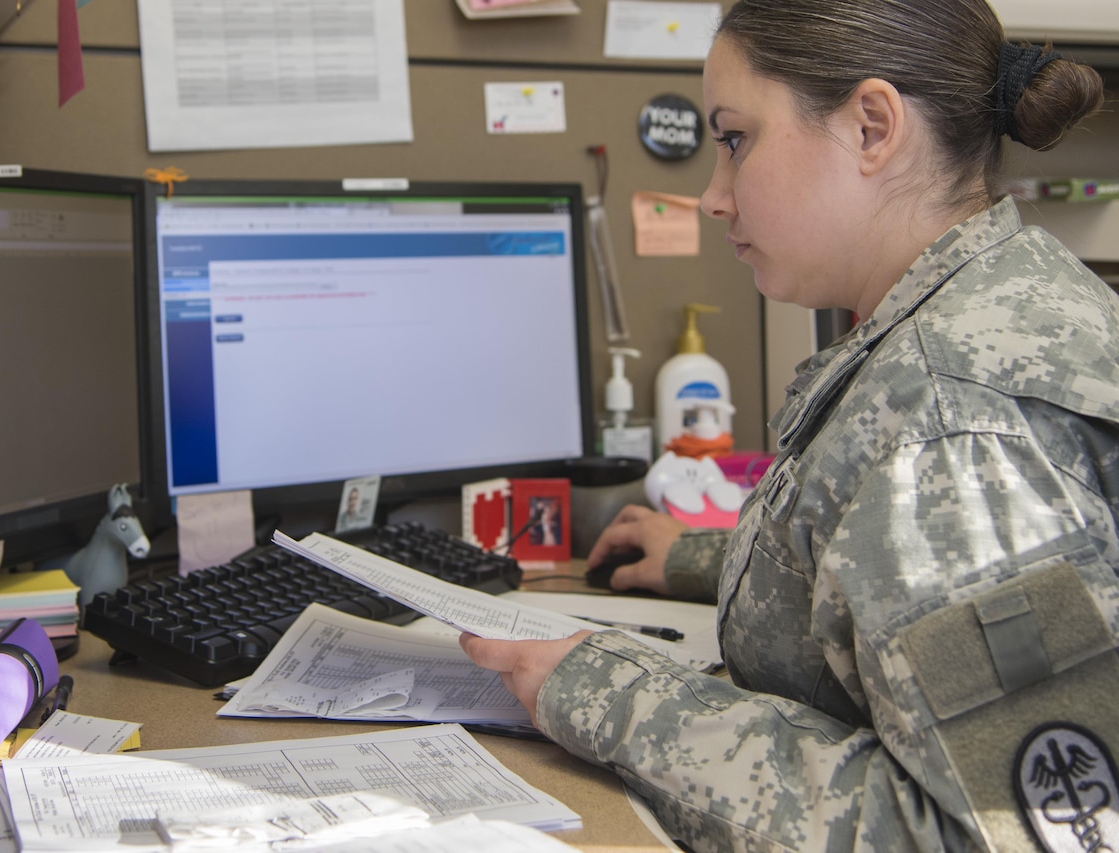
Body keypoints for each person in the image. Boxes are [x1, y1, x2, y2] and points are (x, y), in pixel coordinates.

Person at [459, 1, 1119, 850]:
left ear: (871, 126)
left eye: (734, 139)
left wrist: (610, 692)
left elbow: (997, 832)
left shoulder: (952, 424)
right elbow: (907, 572)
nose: (713, 195)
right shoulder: (1007, 300)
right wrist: (701, 558)